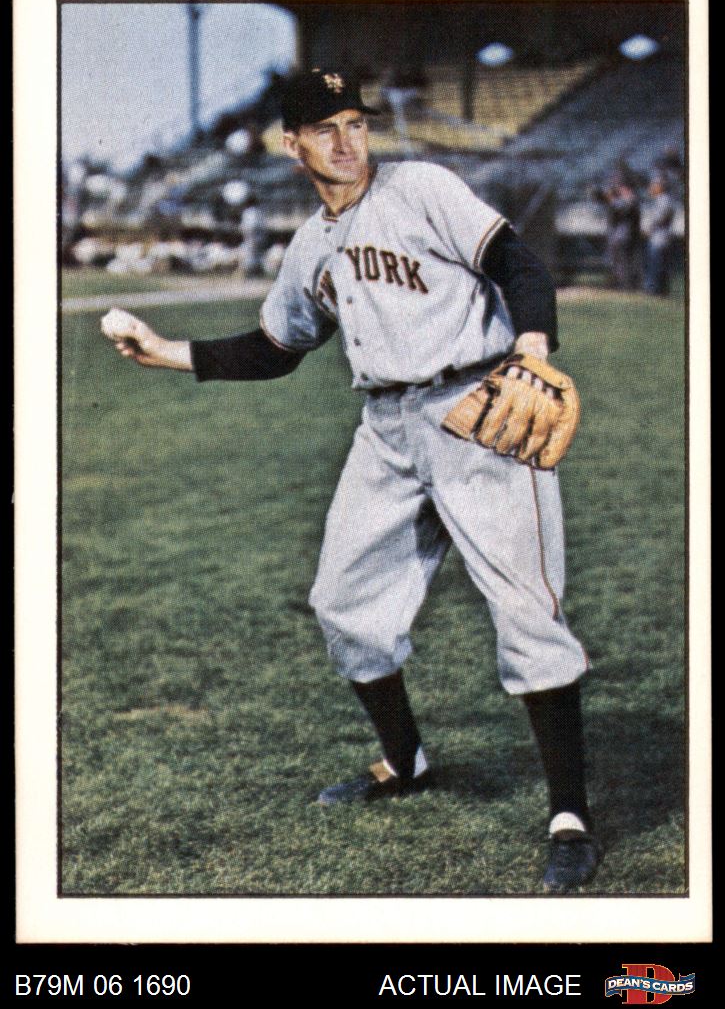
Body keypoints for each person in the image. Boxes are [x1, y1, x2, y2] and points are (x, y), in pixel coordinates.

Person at [103, 68, 599, 894]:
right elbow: (275, 349)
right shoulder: (310, 246)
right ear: (291, 145)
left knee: (525, 612)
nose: (346, 141)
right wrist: (166, 353)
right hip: (386, 428)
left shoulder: (421, 189)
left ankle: (570, 820)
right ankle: (404, 763)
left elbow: (518, 263)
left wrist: (531, 349)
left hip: (478, 408)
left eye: (355, 123)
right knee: (343, 603)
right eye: (324, 128)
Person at [643, 175, 677, 296]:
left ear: (660, 187)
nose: (651, 188)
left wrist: (649, 228)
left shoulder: (664, 200)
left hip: (660, 238)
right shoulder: (659, 200)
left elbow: (660, 218)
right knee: (657, 264)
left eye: (654, 185)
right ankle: (657, 289)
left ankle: (657, 290)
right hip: (658, 237)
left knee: (658, 265)